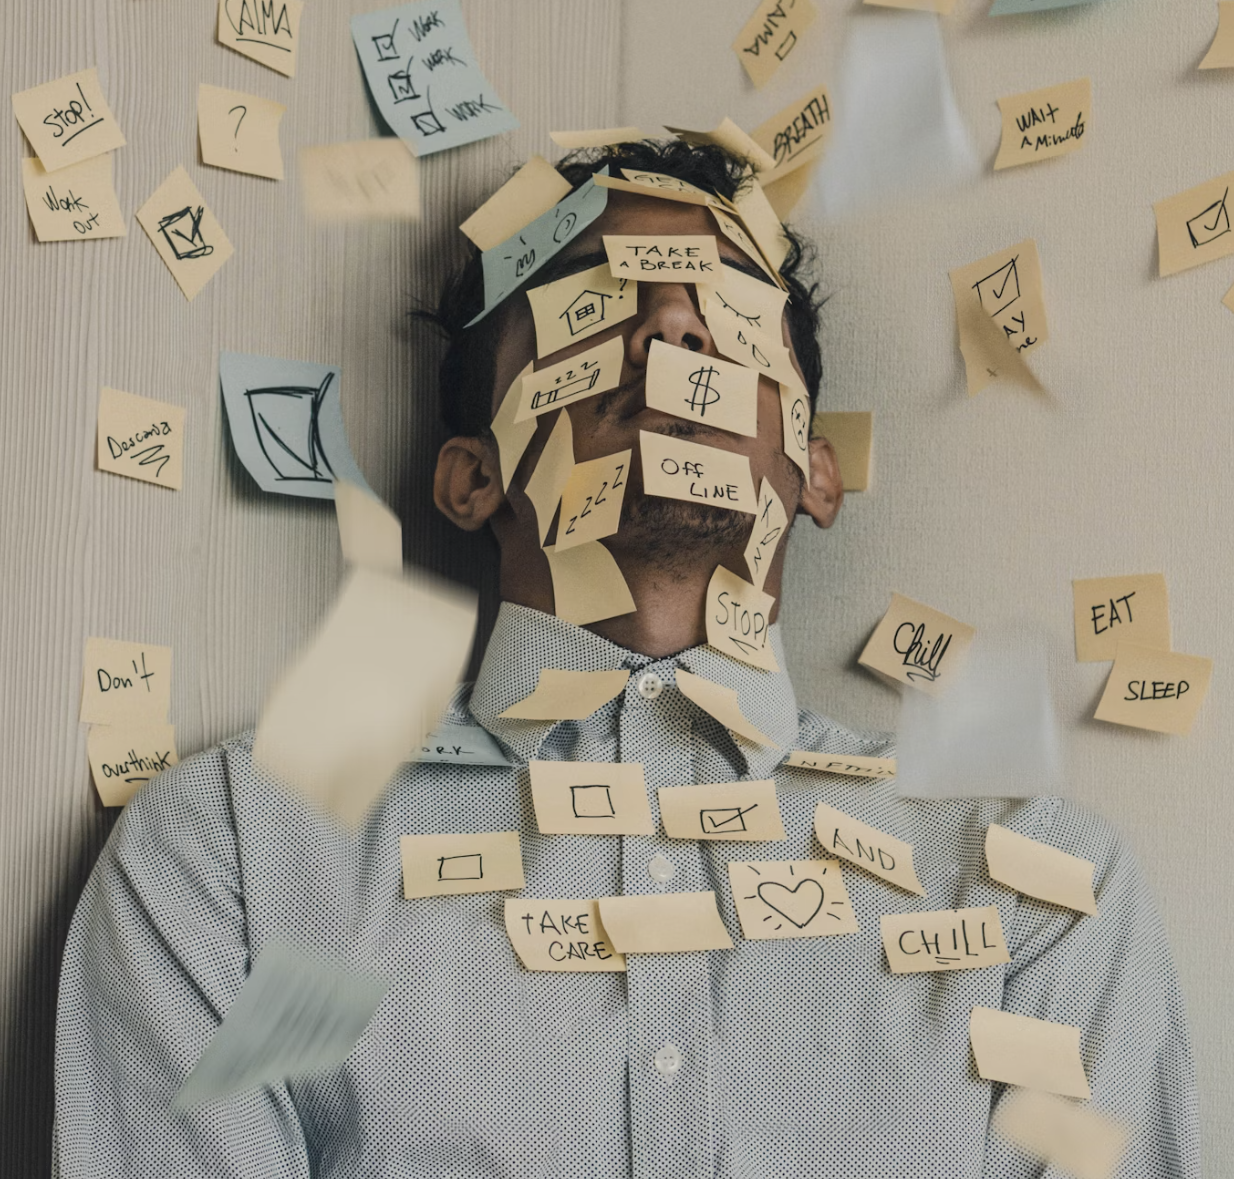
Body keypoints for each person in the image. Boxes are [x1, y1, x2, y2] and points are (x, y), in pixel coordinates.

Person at [55, 139, 1200, 1178]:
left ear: (812, 470)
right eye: (594, 301)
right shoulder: (238, 855)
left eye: (727, 312)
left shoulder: (1038, 891)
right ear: (472, 476)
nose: (671, 329)